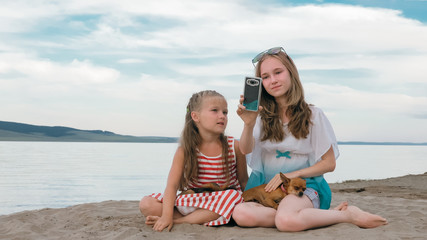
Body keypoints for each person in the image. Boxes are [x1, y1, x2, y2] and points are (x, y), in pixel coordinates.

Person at [232, 47, 387, 231]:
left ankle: (347, 214)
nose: (272, 80)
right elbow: (245, 150)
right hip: (268, 190)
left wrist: (292, 175)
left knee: (286, 221)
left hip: (301, 188)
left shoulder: (313, 115)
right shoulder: (259, 116)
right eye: (265, 77)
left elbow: (329, 164)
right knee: (241, 214)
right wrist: (248, 124)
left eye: (278, 72)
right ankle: (310, 217)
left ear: (291, 73)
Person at [139, 90, 248, 232]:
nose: (222, 116)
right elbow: (172, 186)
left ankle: (180, 221)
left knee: (233, 195)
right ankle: (199, 217)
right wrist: (166, 215)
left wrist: (250, 203)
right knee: (147, 204)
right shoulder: (185, 150)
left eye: (225, 112)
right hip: (194, 200)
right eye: (215, 110)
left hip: (223, 200)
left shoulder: (235, 146)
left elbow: (244, 181)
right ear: (195, 116)